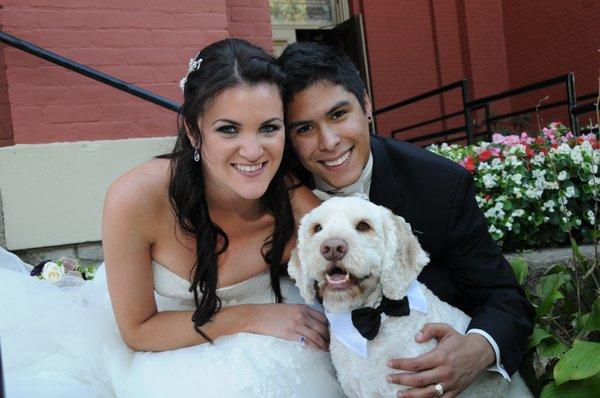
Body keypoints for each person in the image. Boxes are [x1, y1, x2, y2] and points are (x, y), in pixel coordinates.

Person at [0, 39, 345, 398]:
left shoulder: (299, 207)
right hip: (164, 342)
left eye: (268, 128)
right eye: (229, 129)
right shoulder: (136, 198)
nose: (253, 151)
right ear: (194, 132)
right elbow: (137, 330)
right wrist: (251, 317)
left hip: (276, 346)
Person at [279, 41, 535, 398]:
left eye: (339, 114)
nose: (329, 141)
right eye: (304, 128)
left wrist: (474, 352)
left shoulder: (439, 185)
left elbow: (505, 297)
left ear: (366, 105)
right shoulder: (274, 193)